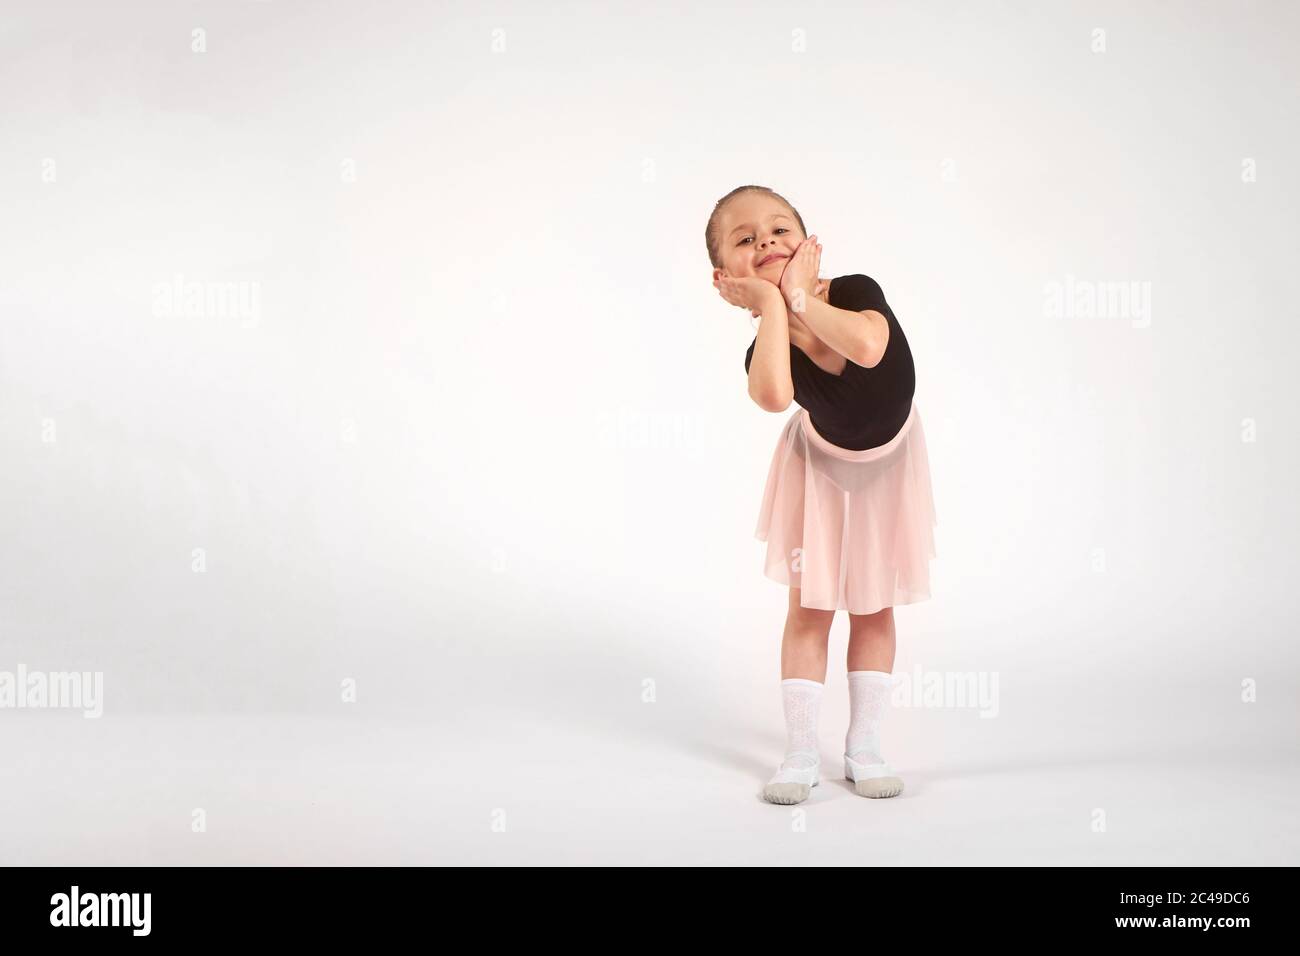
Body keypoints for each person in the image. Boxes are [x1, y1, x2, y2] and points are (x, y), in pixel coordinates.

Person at [706, 185, 938, 804]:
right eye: (745, 240)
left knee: (874, 605)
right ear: (726, 277)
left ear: (808, 246)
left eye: (779, 231)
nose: (766, 243)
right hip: (821, 471)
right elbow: (775, 397)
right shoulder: (764, 345)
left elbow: (867, 347)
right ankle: (801, 751)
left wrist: (800, 296)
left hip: (888, 469)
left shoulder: (856, 291)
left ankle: (864, 747)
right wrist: (773, 310)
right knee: (809, 610)